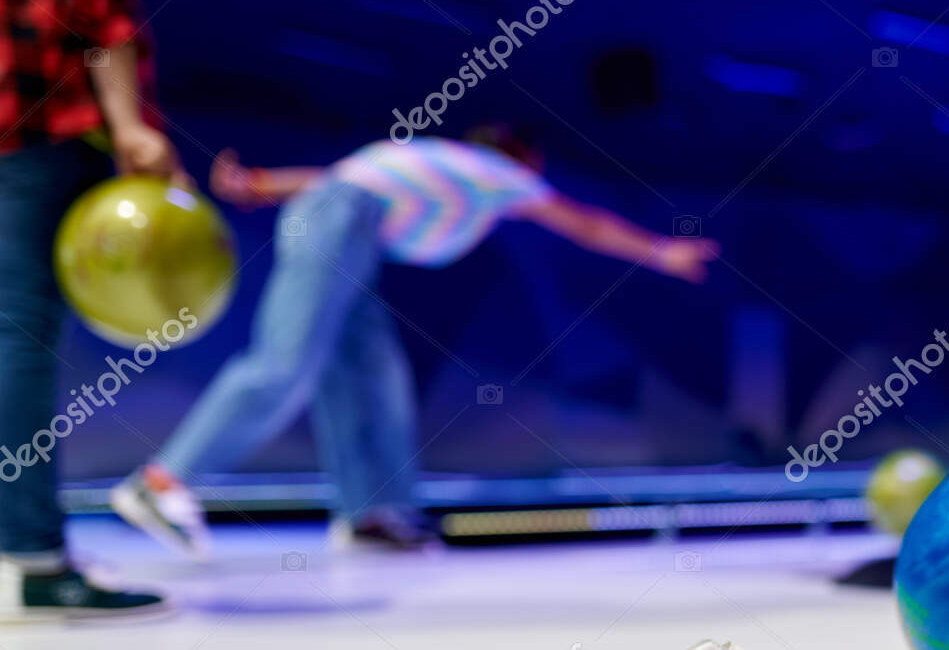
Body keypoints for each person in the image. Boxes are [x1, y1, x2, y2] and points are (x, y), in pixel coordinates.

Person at [112, 127, 720, 556]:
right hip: (343, 221)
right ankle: (160, 482)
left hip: (350, 229)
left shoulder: (434, 166)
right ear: (520, 160)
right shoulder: (500, 173)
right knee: (285, 363)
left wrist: (261, 184)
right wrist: (663, 252)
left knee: (374, 379)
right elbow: (584, 222)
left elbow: (329, 179)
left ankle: (372, 516)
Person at [0, 0, 184, 621]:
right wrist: (132, 128)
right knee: (19, 336)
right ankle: (33, 560)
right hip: (37, 134)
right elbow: (98, 19)